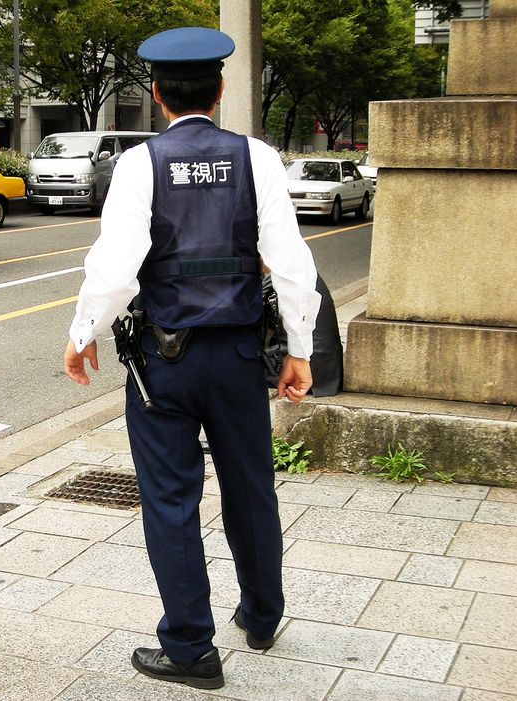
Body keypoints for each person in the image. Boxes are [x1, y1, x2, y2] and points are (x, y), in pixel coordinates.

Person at [64, 27, 320, 690]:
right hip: (237, 355)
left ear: (156, 92)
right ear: (223, 88)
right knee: (250, 487)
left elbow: (116, 270)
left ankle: (189, 647)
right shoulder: (255, 158)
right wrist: (300, 349)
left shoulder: (141, 164)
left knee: (171, 499)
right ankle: (262, 615)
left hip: (163, 363)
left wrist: (83, 330)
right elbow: (292, 265)